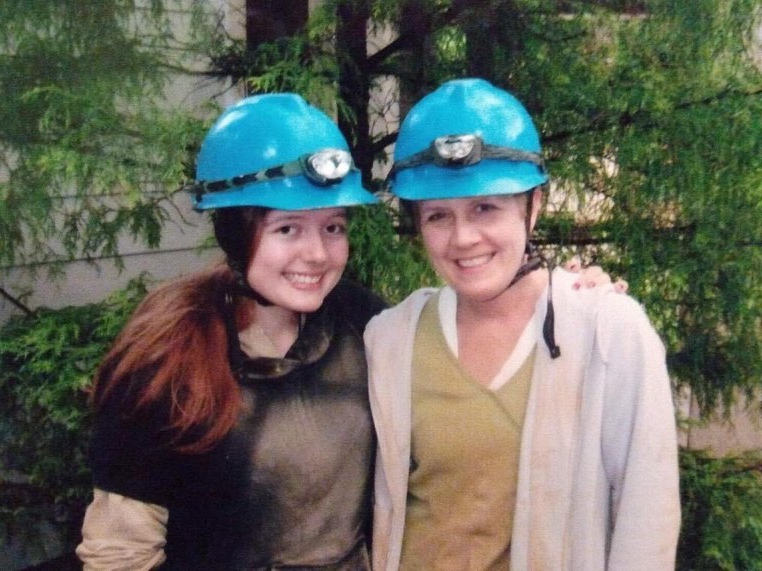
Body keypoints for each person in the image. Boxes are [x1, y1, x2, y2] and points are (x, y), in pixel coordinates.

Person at [365, 78, 681, 570]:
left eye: (485, 208)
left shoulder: (606, 333)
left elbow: (648, 518)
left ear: (533, 207)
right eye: (437, 217)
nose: (463, 238)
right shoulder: (390, 338)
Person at [76, 93, 386, 569]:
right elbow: (120, 552)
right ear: (235, 234)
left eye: (333, 227)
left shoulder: (362, 324)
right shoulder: (167, 353)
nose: (318, 254)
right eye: (287, 229)